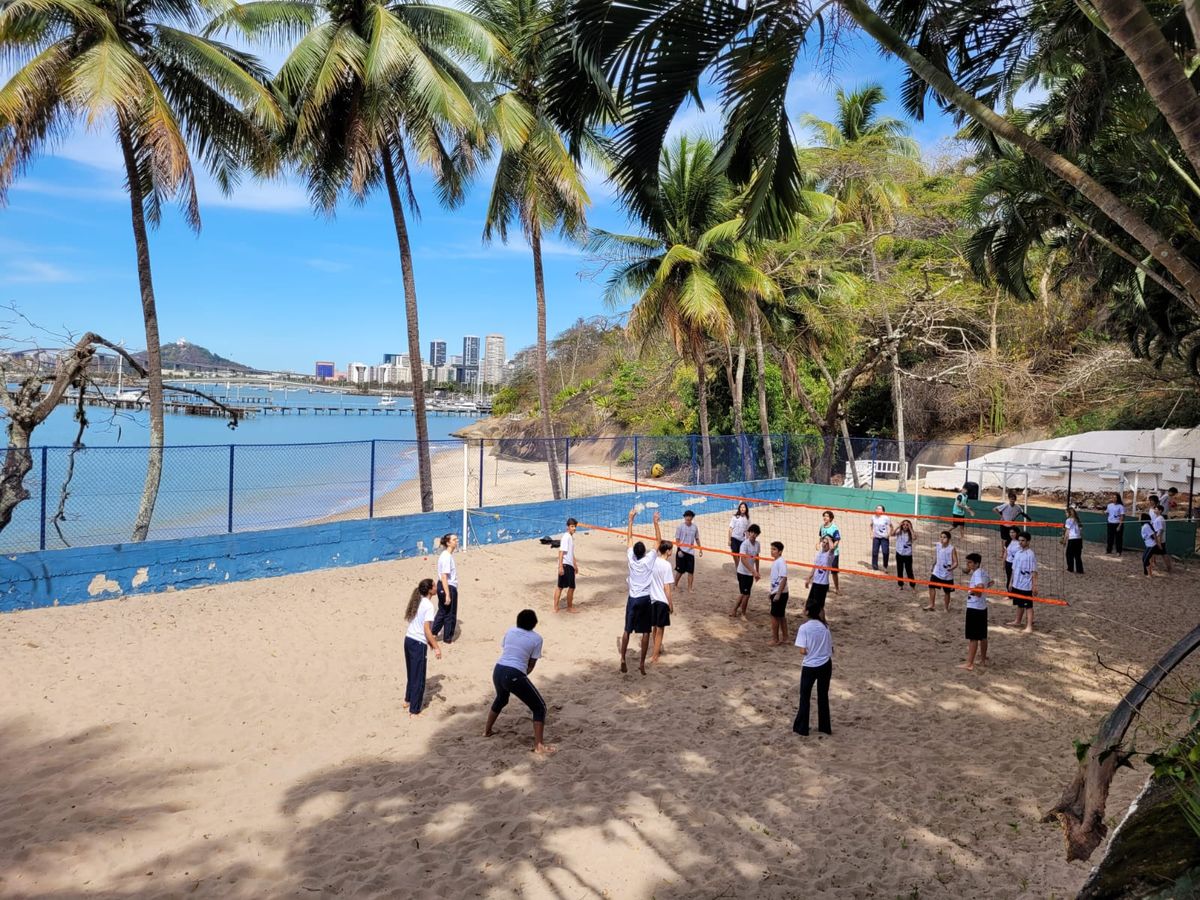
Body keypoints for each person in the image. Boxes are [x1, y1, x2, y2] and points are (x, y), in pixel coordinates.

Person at [485, 609, 554, 754]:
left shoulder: (510, 631)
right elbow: (531, 665)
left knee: (501, 699)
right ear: (534, 623)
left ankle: (487, 731)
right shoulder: (537, 639)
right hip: (514, 673)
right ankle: (539, 746)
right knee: (539, 707)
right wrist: (520, 676)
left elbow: (507, 649)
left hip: (498, 669)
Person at [618, 508, 655, 675]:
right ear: (644, 552)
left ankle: (623, 658)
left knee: (627, 630)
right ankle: (641, 663)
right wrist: (655, 523)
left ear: (634, 553)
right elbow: (659, 541)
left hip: (633, 599)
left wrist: (630, 519)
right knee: (646, 631)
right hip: (645, 599)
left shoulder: (631, 559)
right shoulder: (649, 560)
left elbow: (629, 539)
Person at [793, 598, 833, 737]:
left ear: (808, 612)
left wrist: (809, 651)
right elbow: (830, 649)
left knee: (805, 696)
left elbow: (803, 650)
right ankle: (825, 727)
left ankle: (802, 727)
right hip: (825, 664)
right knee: (823, 696)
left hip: (810, 665)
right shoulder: (825, 627)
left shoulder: (804, 628)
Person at [403, 578, 441, 716]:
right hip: (418, 643)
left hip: (408, 639)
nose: (437, 587)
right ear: (430, 590)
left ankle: (407, 700)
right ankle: (414, 710)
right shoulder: (429, 606)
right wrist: (436, 647)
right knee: (419, 677)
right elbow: (427, 630)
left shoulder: (418, 600)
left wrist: (431, 643)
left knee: (411, 673)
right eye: (435, 586)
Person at [959, 553, 993, 671]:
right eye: (967, 562)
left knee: (973, 638)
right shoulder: (982, 572)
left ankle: (969, 664)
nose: (968, 564)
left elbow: (979, 588)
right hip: (982, 607)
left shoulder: (977, 574)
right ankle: (983, 660)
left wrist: (972, 591)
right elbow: (990, 582)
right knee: (983, 636)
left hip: (974, 607)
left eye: (970, 562)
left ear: (976, 563)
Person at [649, 515, 675, 663]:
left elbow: (656, 542)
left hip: (651, 599)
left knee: (654, 627)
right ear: (668, 551)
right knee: (660, 629)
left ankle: (655, 650)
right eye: (671, 550)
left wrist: (655, 523)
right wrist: (670, 603)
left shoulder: (652, 561)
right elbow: (667, 588)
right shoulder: (666, 566)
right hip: (661, 600)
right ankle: (655, 655)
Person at [1004, 531, 1037, 633]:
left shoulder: (1030, 555)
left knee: (1028, 606)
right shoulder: (1018, 553)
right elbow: (1013, 569)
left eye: (1023, 541)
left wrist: (1034, 586)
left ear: (1028, 542)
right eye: (1019, 540)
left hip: (1026, 585)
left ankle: (1029, 627)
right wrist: (1010, 582)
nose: (1020, 542)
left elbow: (1034, 572)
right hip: (1016, 583)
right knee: (1019, 604)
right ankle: (1017, 621)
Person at [431, 533, 459, 644]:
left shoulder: (445, 555)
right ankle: (447, 638)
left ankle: (433, 633)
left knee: (443, 611)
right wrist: (447, 594)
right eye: (454, 540)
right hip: (447, 586)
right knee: (449, 613)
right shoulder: (446, 556)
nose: (456, 541)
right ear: (448, 543)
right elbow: (444, 576)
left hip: (443, 585)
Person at [731, 523, 762, 618]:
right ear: (749, 533)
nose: (753, 534)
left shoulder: (757, 544)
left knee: (744, 593)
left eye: (755, 533)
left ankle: (734, 610)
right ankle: (743, 614)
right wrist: (753, 571)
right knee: (746, 594)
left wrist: (757, 571)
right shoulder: (744, 544)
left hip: (750, 573)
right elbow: (743, 560)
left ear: (757, 534)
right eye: (751, 532)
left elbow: (757, 558)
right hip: (742, 572)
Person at [925, 530, 958, 612]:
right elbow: (937, 557)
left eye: (944, 537)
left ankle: (946, 608)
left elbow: (956, 562)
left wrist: (951, 568)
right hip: (937, 571)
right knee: (931, 586)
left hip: (947, 573)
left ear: (949, 539)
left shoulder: (952, 549)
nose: (942, 539)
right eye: (941, 537)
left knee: (947, 592)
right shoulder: (938, 545)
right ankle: (932, 605)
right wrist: (933, 565)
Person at [552, 518, 580, 613]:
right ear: (567, 527)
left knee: (567, 587)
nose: (574, 528)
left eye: (575, 526)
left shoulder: (570, 537)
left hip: (569, 565)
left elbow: (571, 553)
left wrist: (575, 565)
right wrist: (560, 566)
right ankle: (567, 607)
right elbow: (561, 552)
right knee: (565, 587)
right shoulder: (566, 537)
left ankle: (559, 607)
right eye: (572, 526)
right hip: (565, 565)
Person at [804, 536, 834, 620]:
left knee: (820, 607)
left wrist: (829, 538)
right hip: (815, 582)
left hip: (822, 584)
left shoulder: (830, 555)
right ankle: (814, 622)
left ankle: (823, 624)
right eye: (823, 542)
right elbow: (815, 567)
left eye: (826, 543)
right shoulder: (819, 553)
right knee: (809, 604)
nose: (824, 545)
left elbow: (832, 548)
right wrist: (809, 578)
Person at [767, 541, 789, 646]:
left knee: (774, 616)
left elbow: (784, 579)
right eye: (771, 549)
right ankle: (785, 638)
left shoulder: (781, 562)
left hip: (780, 593)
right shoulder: (776, 561)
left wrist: (778, 594)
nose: (772, 551)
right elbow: (776, 579)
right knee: (781, 616)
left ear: (780, 552)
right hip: (777, 592)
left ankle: (775, 639)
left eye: (774, 549)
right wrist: (771, 592)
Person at [674, 509, 701, 593]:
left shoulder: (694, 527)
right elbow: (677, 539)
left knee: (691, 572)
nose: (688, 519)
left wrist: (700, 549)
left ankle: (690, 588)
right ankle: (675, 585)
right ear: (684, 517)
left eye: (689, 517)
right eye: (686, 517)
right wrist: (679, 549)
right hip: (681, 551)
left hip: (690, 552)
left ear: (692, 518)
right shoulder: (680, 527)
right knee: (680, 571)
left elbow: (697, 538)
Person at [818, 511, 842, 594]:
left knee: (834, 572)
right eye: (824, 516)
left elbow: (837, 540)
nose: (825, 518)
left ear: (831, 518)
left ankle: (837, 589)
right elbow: (821, 537)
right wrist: (818, 543)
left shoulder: (834, 528)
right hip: (824, 553)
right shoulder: (822, 527)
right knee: (825, 570)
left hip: (833, 553)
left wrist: (832, 548)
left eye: (827, 516)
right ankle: (826, 587)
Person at [892, 519, 916, 591]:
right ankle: (900, 585)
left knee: (909, 571)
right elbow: (892, 534)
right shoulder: (899, 532)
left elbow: (914, 537)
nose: (905, 526)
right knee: (900, 570)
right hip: (899, 554)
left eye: (907, 525)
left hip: (908, 555)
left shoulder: (911, 533)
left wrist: (910, 528)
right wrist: (898, 526)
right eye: (904, 524)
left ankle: (912, 586)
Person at [1151, 504, 1173, 573]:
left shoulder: (1159, 519)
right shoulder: (1158, 518)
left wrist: (1159, 542)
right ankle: (1152, 565)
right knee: (1153, 553)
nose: (1155, 510)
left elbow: (1160, 531)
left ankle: (1169, 568)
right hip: (1157, 539)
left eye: (1156, 509)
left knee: (1163, 554)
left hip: (1159, 540)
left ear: (1160, 511)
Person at [1062, 508, 1084, 575]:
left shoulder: (1068, 520)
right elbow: (1081, 531)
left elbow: (1067, 531)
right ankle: (1080, 570)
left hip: (1072, 539)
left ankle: (1070, 569)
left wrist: (1064, 541)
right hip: (1079, 539)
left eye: (1066, 513)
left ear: (1069, 513)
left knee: (1069, 554)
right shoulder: (1077, 520)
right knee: (1077, 555)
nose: (1065, 514)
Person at [1141, 512, 1163, 576]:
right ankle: (1146, 572)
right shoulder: (1145, 525)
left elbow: (1154, 535)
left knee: (1146, 560)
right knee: (1144, 558)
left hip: (1152, 545)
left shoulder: (1146, 526)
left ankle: (1149, 574)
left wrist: (1158, 544)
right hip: (1149, 545)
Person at [870, 505, 891, 571]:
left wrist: (889, 534)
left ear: (883, 511)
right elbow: (871, 525)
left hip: (884, 538)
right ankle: (875, 566)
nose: (877, 510)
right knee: (874, 552)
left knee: (885, 552)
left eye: (879, 509)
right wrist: (871, 533)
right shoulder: (873, 517)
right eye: (876, 508)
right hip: (876, 537)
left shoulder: (886, 518)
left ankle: (885, 566)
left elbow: (891, 526)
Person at [1003, 525, 1020, 590]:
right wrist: (1003, 563)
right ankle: (1009, 595)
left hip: (1017, 564)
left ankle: (1016, 594)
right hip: (1008, 563)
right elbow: (1006, 553)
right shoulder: (1008, 542)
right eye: (1010, 532)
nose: (1011, 534)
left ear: (1017, 533)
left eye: (1013, 532)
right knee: (1009, 578)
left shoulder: (1020, 542)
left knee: (1015, 579)